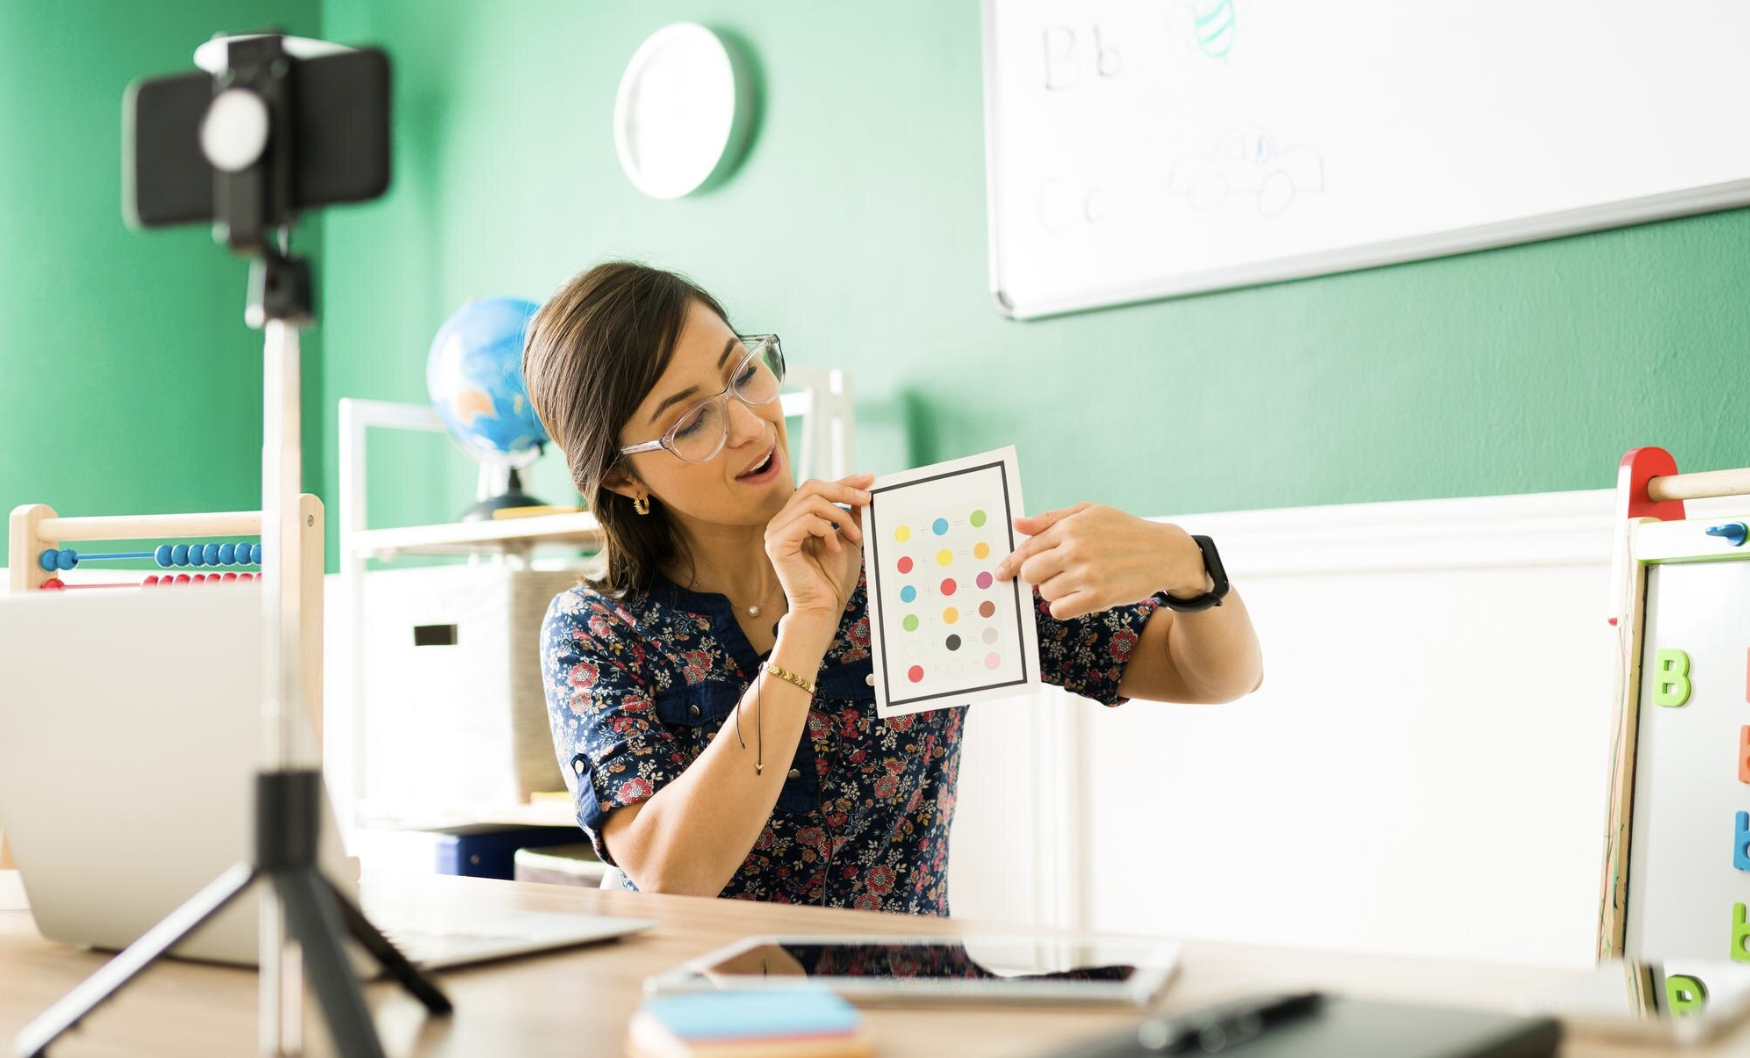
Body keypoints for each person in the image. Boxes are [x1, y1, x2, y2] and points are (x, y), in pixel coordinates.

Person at [523, 261, 1262, 913]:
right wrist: (807, 626)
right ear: (622, 475)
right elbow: (671, 873)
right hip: (698, 1015)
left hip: (907, 1005)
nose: (752, 426)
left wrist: (1188, 567)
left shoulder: (919, 548)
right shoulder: (595, 630)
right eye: (691, 421)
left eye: (745, 372)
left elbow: (1215, 675)